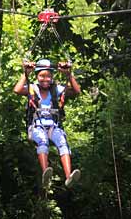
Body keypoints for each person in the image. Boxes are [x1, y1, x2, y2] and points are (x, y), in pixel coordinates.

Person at [13, 58, 82, 188]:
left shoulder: (57, 89)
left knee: (62, 142)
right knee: (42, 141)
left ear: (52, 77)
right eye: (42, 76)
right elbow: (17, 90)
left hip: (53, 126)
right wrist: (26, 73)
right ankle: (45, 173)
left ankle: (69, 177)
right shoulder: (32, 88)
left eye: (48, 76)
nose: (45, 79)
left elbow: (77, 91)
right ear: (37, 76)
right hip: (36, 126)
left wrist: (68, 74)